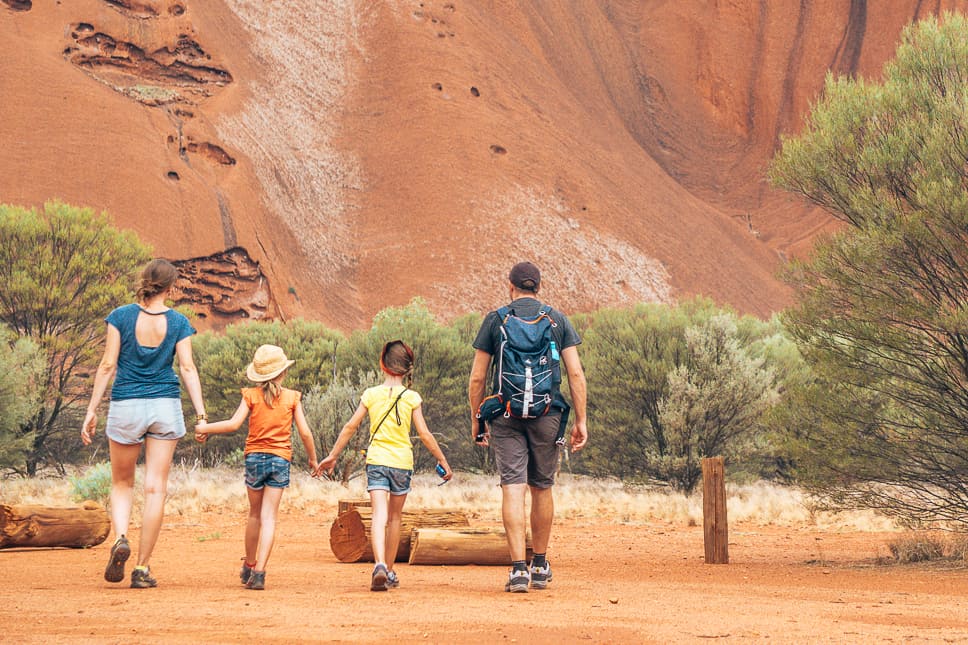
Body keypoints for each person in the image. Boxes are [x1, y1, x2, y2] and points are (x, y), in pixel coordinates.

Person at [81, 258, 207, 589]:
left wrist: (92, 409)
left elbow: (108, 365)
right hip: (165, 405)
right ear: (171, 287)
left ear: (144, 281)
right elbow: (188, 368)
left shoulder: (120, 316)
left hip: (127, 405)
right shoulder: (179, 322)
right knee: (156, 489)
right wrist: (202, 414)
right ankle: (141, 568)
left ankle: (121, 537)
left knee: (122, 483)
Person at [468, 261, 588, 593]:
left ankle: (518, 569)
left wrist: (478, 419)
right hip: (549, 415)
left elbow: (478, 377)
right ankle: (540, 563)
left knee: (512, 487)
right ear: (538, 287)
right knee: (542, 487)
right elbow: (575, 374)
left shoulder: (496, 320)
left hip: (505, 416)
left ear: (510, 287)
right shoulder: (557, 319)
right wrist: (581, 420)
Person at [316, 340, 453, 591]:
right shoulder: (412, 397)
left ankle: (378, 564)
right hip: (401, 463)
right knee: (395, 517)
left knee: (379, 514)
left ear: (383, 365)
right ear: (407, 369)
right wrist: (442, 460)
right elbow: (424, 433)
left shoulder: (371, 395)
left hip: (377, 460)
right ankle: (389, 571)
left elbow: (350, 426)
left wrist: (333, 455)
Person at [194, 344, 319, 590]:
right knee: (269, 517)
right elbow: (305, 432)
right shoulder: (293, 397)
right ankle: (260, 572)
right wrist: (313, 459)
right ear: (282, 373)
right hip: (280, 459)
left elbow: (233, 424)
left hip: (254, 459)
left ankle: (249, 565)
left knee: (254, 514)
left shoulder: (250, 395)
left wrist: (204, 429)